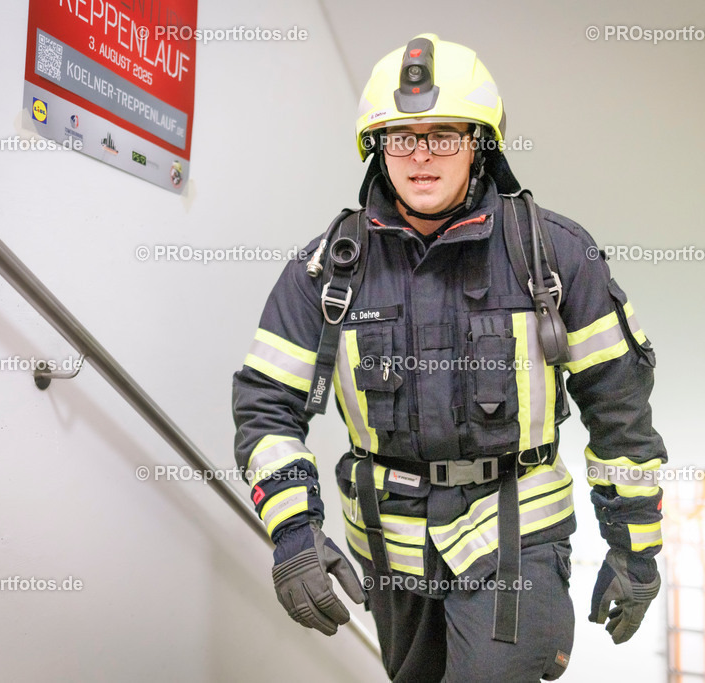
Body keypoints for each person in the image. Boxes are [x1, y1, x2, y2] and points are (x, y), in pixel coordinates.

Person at [232, 33, 667, 682]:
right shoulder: (326, 273)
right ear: (378, 148)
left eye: (444, 135)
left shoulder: (556, 257)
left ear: (479, 143)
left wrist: (635, 547)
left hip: (516, 543)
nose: (422, 155)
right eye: (403, 137)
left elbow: (620, 415)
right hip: (389, 553)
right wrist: (294, 529)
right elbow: (266, 407)